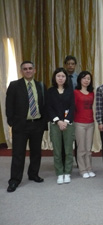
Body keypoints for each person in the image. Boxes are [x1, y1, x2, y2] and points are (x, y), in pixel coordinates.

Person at [5, 61, 47, 192]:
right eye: (25, 69)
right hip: (21, 126)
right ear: (21, 71)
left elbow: (44, 105)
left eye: (30, 68)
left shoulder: (40, 85)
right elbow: (9, 106)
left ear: (34, 70)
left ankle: (33, 174)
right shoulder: (14, 85)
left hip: (37, 125)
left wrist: (43, 123)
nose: (28, 70)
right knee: (18, 153)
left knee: (36, 152)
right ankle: (14, 180)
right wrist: (12, 122)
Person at [48, 68, 75, 184]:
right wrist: (58, 121)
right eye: (58, 76)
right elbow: (48, 107)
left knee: (69, 150)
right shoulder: (50, 91)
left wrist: (66, 120)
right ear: (55, 77)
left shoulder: (70, 91)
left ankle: (67, 172)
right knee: (57, 150)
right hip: (55, 124)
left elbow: (73, 107)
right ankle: (59, 173)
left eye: (63, 76)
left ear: (66, 78)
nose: (60, 78)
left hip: (68, 124)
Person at [74, 71, 95, 179]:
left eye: (88, 78)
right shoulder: (76, 92)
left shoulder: (92, 92)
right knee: (81, 148)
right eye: (84, 78)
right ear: (80, 80)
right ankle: (82, 170)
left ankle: (89, 168)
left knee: (88, 148)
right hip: (79, 123)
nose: (86, 80)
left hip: (91, 123)